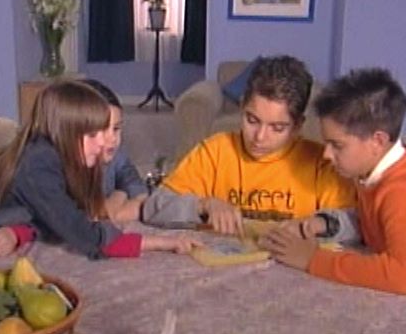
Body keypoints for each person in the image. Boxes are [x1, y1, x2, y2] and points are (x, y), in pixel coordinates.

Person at [0, 80, 200, 258]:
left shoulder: (65, 158)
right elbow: (85, 235)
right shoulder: (38, 166)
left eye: (110, 131)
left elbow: (47, 214)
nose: (104, 142)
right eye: (93, 134)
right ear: (65, 132)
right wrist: (164, 243)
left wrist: (18, 232)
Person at [257, 68, 406, 294]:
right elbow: (375, 222)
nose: (326, 154)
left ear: (377, 141)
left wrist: (313, 259)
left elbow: (403, 278)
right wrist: (323, 224)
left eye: (337, 145)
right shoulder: (371, 173)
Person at [141, 55, 356, 235]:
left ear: (297, 126)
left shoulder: (321, 163)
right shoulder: (214, 152)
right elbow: (153, 207)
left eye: (277, 128)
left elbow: (356, 223)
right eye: (252, 120)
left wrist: (319, 224)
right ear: (242, 106)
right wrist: (204, 205)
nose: (259, 137)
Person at [80, 79, 148, 223]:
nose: (112, 138)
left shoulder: (116, 155)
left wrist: (119, 194)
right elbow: (93, 215)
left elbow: (137, 188)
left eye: (116, 129)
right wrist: (116, 203)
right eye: (103, 129)